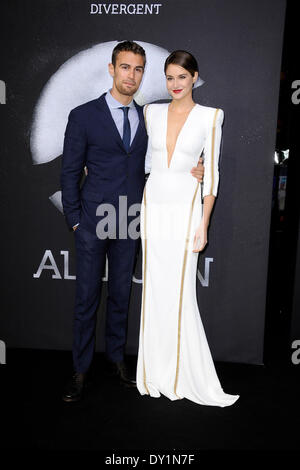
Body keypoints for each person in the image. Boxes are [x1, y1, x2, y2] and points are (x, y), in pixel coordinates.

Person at [60, 41, 205, 402]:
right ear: (112, 69)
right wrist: (77, 221)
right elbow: (69, 173)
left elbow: (162, 159)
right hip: (93, 222)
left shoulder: (149, 117)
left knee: (122, 297)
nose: (132, 75)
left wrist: (194, 169)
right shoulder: (83, 115)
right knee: (87, 299)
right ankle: (79, 370)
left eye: (138, 69)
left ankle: (116, 361)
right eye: (125, 67)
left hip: (131, 221)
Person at [136, 50, 240, 407]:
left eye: (182, 76)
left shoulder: (211, 117)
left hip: (185, 208)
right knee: (154, 291)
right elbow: (143, 160)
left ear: (195, 77)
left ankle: (181, 373)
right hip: (154, 205)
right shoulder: (151, 112)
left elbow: (211, 175)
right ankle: (152, 373)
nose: (175, 84)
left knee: (179, 292)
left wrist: (204, 223)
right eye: (169, 77)